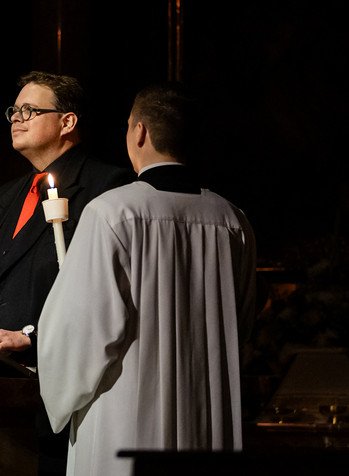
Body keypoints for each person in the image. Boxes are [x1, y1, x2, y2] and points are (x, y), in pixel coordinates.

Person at [37, 83, 257, 476]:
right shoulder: (232, 221)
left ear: (139, 132)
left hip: (126, 422)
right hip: (205, 419)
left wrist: (54, 392)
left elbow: (79, 333)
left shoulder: (112, 213)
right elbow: (239, 323)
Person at [0, 71, 131, 475]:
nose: (15, 119)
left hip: (48, 390)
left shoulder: (106, 187)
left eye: (29, 110)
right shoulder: (4, 198)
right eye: (13, 111)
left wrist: (33, 335)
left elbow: (106, 292)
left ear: (67, 122)